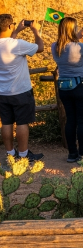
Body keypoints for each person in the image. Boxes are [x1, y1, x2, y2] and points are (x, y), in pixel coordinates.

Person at [52, 17, 83, 162]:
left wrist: (77, 37)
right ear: (72, 29)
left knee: (71, 120)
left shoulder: (55, 46)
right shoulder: (80, 47)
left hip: (64, 87)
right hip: (81, 86)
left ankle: (72, 154)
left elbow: (68, 47)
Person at [0, 14, 44, 161]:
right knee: (21, 122)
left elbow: (6, 42)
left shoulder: (10, 42)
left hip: (2, 92)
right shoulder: (17, 44)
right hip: (20, 91)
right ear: (10, 26)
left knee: (6, 122)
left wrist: (17, 30)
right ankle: (24, 155)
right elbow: (40, 48)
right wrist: (36, 31)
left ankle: (10, 154)